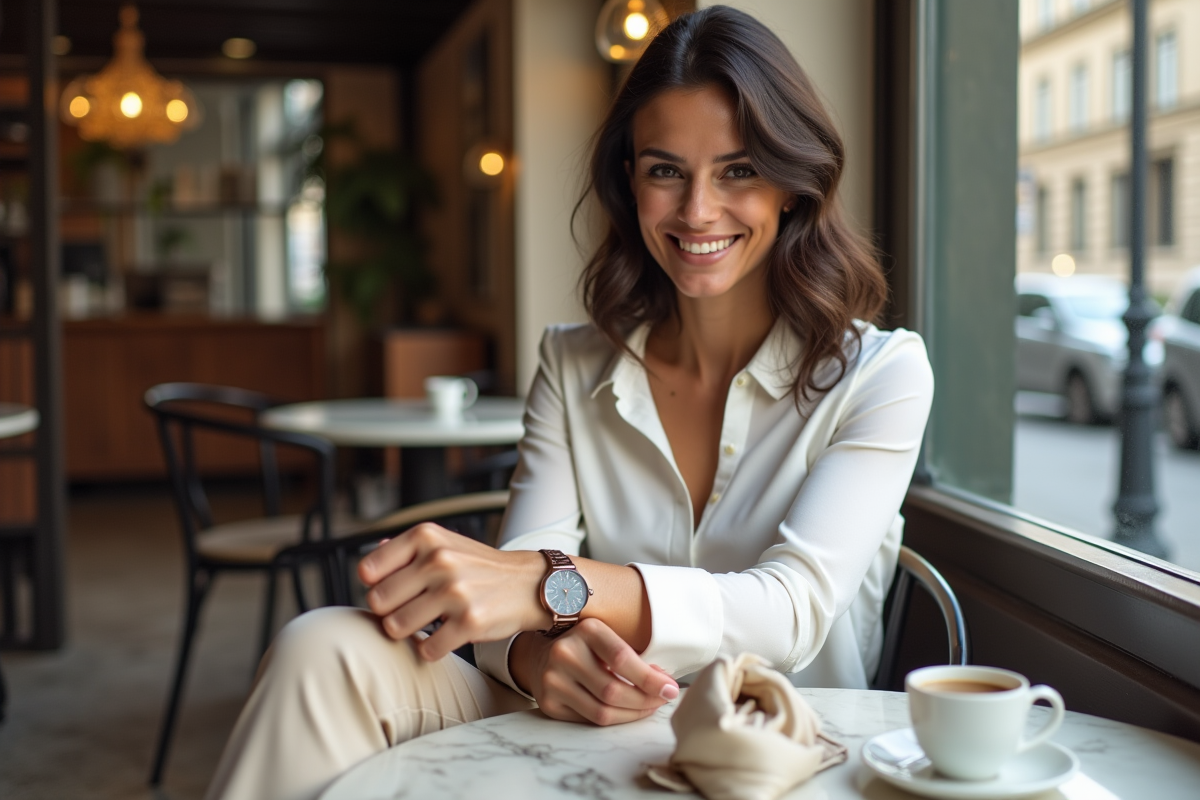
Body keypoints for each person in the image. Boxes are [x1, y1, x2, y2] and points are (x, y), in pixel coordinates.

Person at [205, 6, 933, 800]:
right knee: (322, 646)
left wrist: (560, 587)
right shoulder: (572, 361)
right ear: (630, 180)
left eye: (738, 171)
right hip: (584, 731)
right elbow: (511, 610)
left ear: (792, 186)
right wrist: (539, 659)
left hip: (770, 756)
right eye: (665, 171)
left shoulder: (881, 374)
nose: (696, 210)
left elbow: (791, 613)